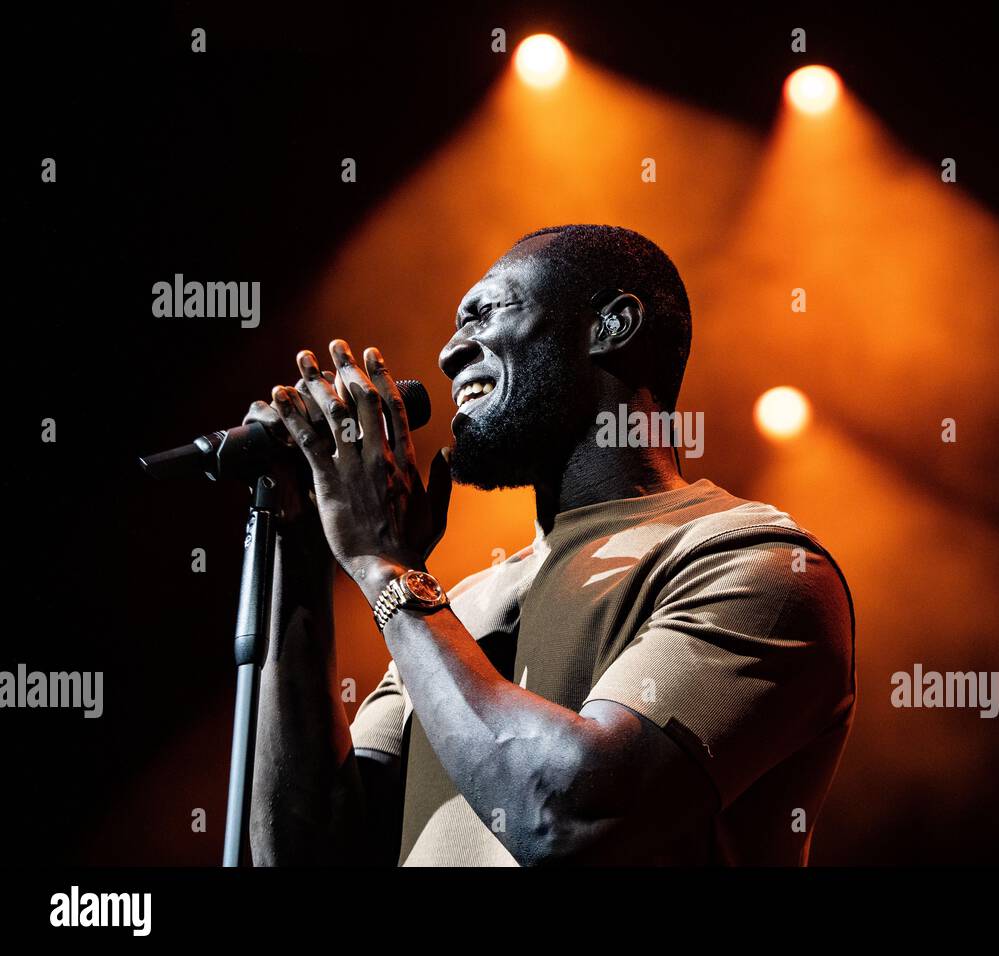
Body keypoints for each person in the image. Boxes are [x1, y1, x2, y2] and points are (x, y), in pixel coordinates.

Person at [245, 224, 855, 865]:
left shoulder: (755, 561)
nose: (451, 351)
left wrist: (384, 566)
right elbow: (302, 855)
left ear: (612, 324)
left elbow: (569, 820)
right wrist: (304, 549)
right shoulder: (455, 607)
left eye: (486, 312)